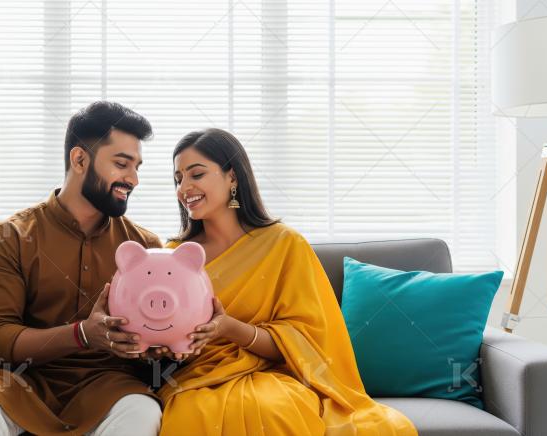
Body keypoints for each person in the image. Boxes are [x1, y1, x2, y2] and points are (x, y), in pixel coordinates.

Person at [0, 101, 165, 436]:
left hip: (109, 389)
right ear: (80, 160)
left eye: (137, 167)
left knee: (144, 413)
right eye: (122, 164)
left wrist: (166, 345)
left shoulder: (145, 247)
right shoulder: (9, 237)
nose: (133, 179)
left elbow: (156, 347)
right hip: (14, 383)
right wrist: (82, 335)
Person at [158, 128, 418, 435]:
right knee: (194, 415)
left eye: (196, 174)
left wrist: (229, 328)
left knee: (273, 409)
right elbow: (164, 339)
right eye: (178, 179)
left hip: (272, 373)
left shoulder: (284, 244)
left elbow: (306, 345)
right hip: (199, 378)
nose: (184, 187)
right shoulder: (175, 256)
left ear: (232, 177)